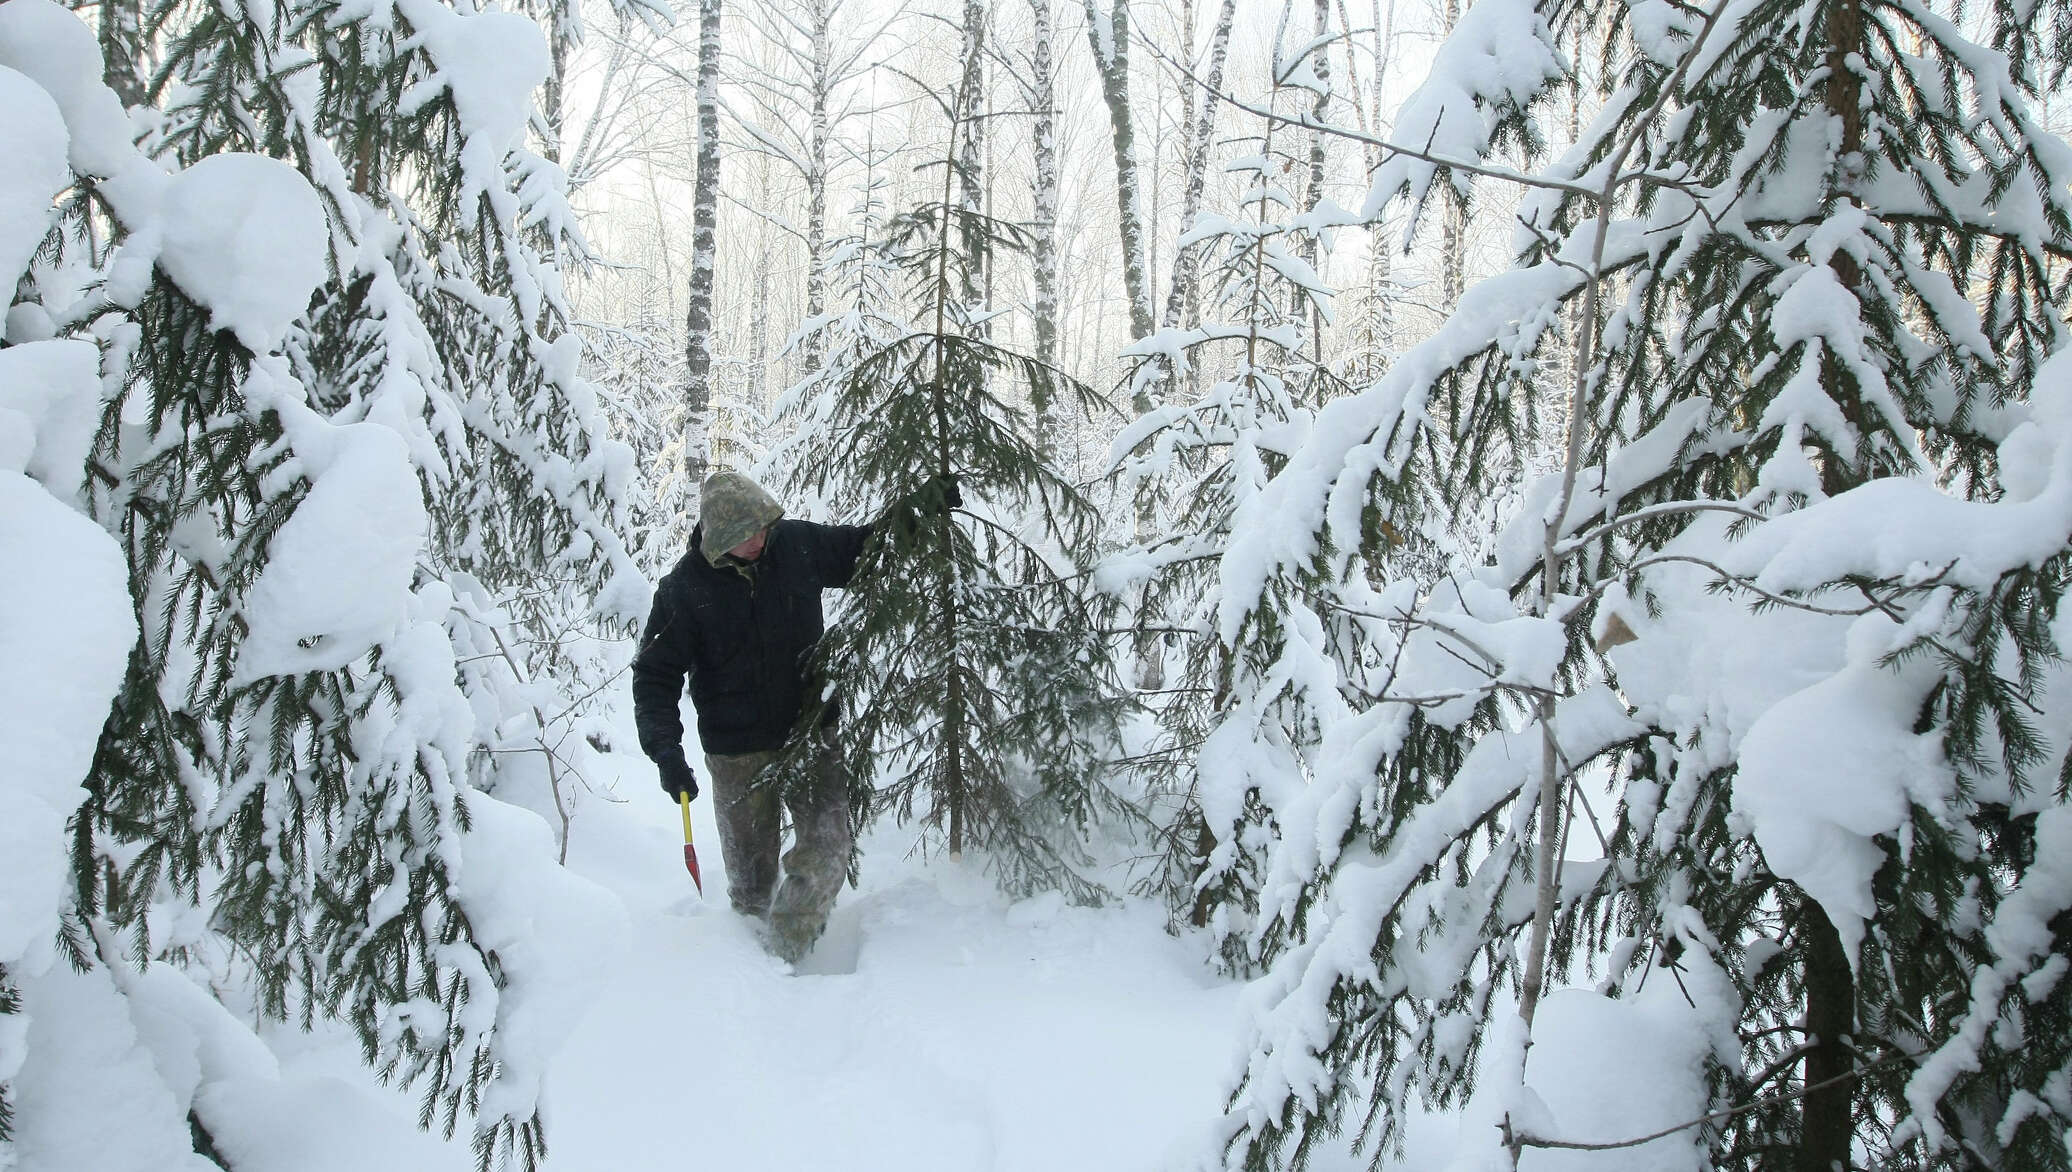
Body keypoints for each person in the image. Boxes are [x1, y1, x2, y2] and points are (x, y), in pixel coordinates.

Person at [630, 470, 953, 962]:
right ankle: (750, 978)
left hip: (810, 733)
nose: (759, 538)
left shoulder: (796, 544)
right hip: (736, 753)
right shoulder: (682, 591)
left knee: (829, 851)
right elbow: (654, 677)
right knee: (751, 886)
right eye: (744, 534)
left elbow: (865, 549)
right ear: (718, 539)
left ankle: (788, 952)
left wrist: (919, 508)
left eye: (762, 526)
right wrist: (666, 753)